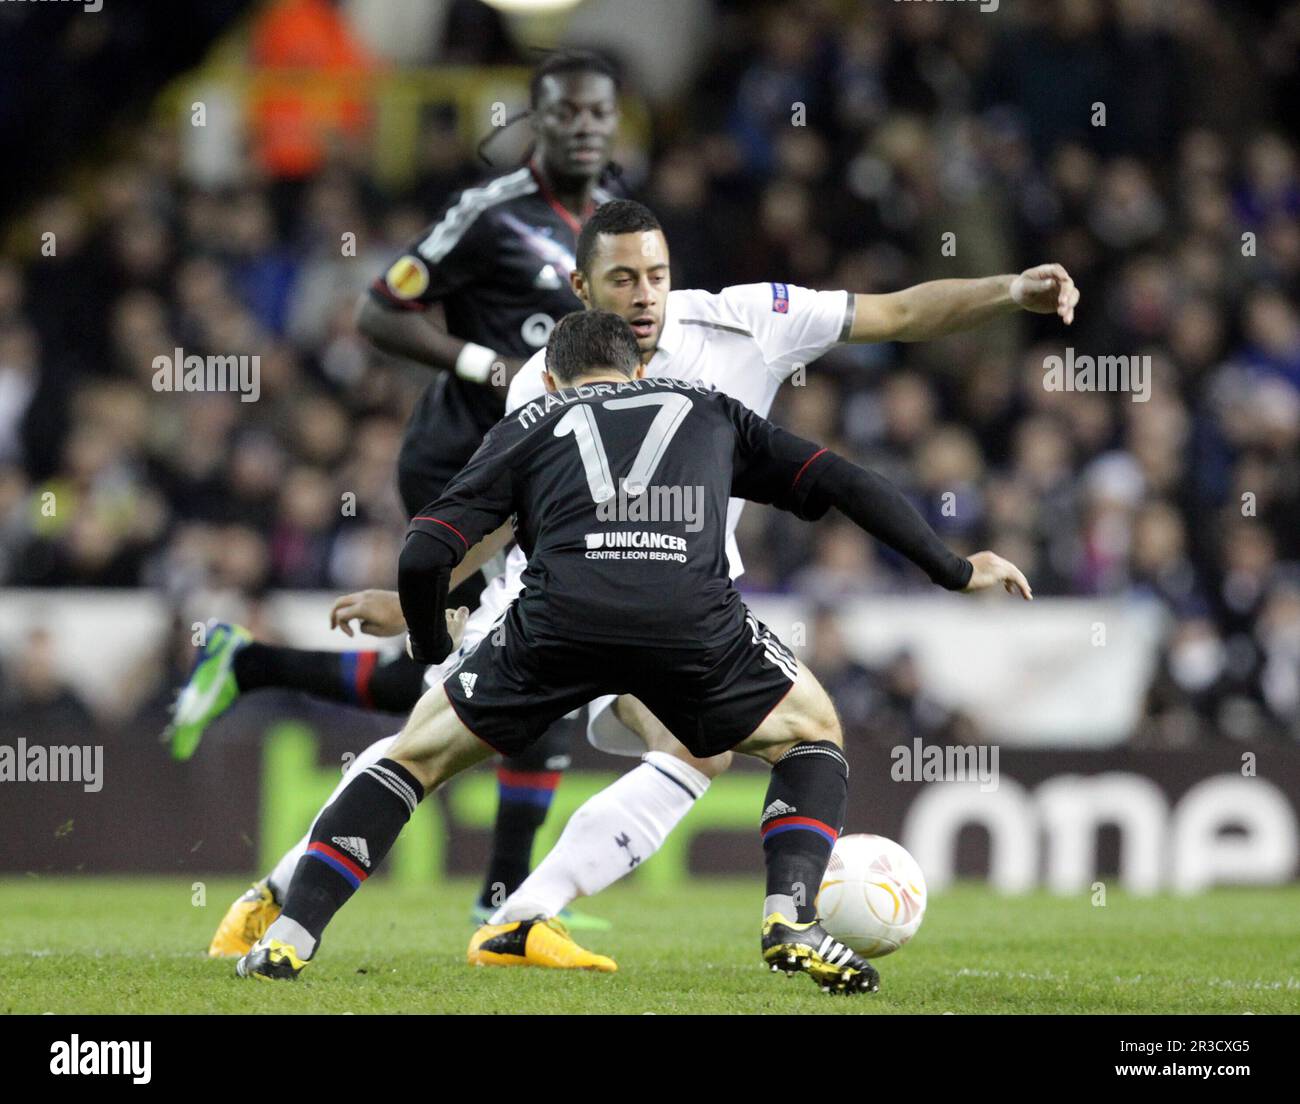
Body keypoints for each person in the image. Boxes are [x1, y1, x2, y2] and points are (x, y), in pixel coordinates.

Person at [210, 198, 1078, 961]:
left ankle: (490, 914)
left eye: (657, 274)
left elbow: (894, 312)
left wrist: (1007, 291)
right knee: (446, 744)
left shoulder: (746, 319)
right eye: (622, 278)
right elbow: (508, 515)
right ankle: (312, 898)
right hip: (558, 593)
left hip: (680, 601)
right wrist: (425, 603)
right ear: (583, 291)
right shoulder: (542, 374)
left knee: (671, 750)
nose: (645, 294)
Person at [183, 50, 624, 953]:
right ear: (537, 120)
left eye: (599, 112)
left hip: (541, 470)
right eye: (566, 111)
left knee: (456, 673)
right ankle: (499, 904)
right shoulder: (492, 214)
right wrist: (486, 365)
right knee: (514, 666)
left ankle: (255, 669)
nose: (584, 126)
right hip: (463, 464)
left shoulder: (613, 216)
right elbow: (380, 310)